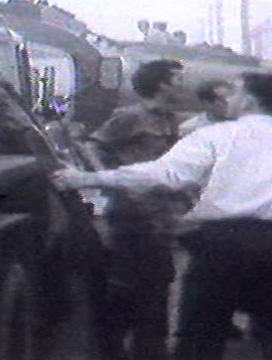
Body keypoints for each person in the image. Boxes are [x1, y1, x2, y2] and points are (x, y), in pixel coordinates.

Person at [55, 72, 272, 360]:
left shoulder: (216, 136)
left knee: (200, 336)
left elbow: (165, 175)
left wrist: (87, 179)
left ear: (249, 102)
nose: (229, 98)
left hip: (222, 245)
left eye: (234, 92)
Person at [80, 59, 184, 360]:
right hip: (131, 216)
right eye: (177, 79)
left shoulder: (169, 119)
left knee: (159, 286)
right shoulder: (129, 116)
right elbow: (91, 147)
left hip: (160, 217)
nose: (181, 84)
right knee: (126, 288)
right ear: (161, 84)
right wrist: (108, 180)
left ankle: (150, 350)